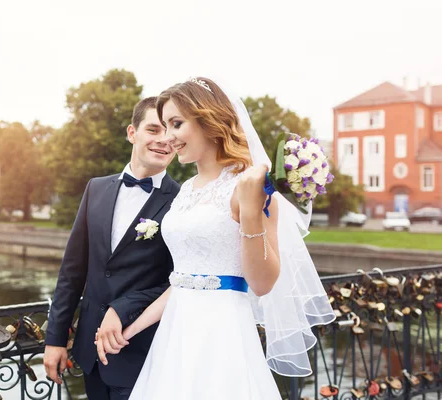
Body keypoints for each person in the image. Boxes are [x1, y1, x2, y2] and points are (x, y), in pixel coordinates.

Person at [96, 78, 335, 399]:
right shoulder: (186, 191)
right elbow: (183, 282)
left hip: (221, 334)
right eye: (164, 126)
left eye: (176, 124)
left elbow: (263, 284)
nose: (168, 138)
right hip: (174, 336)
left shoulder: (250, 186)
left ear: (208, 119)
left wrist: (251, 211)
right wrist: (131, 329)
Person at [43, 96, 181, 400]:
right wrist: (54, 339)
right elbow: (72, 270)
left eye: (170, 133)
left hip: (144, 353)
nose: (163, 141)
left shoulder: (183, 202)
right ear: (132, 133)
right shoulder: (96, 188)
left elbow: (183, 281)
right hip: (89, 354)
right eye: (153, 130)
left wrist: (123, 307)